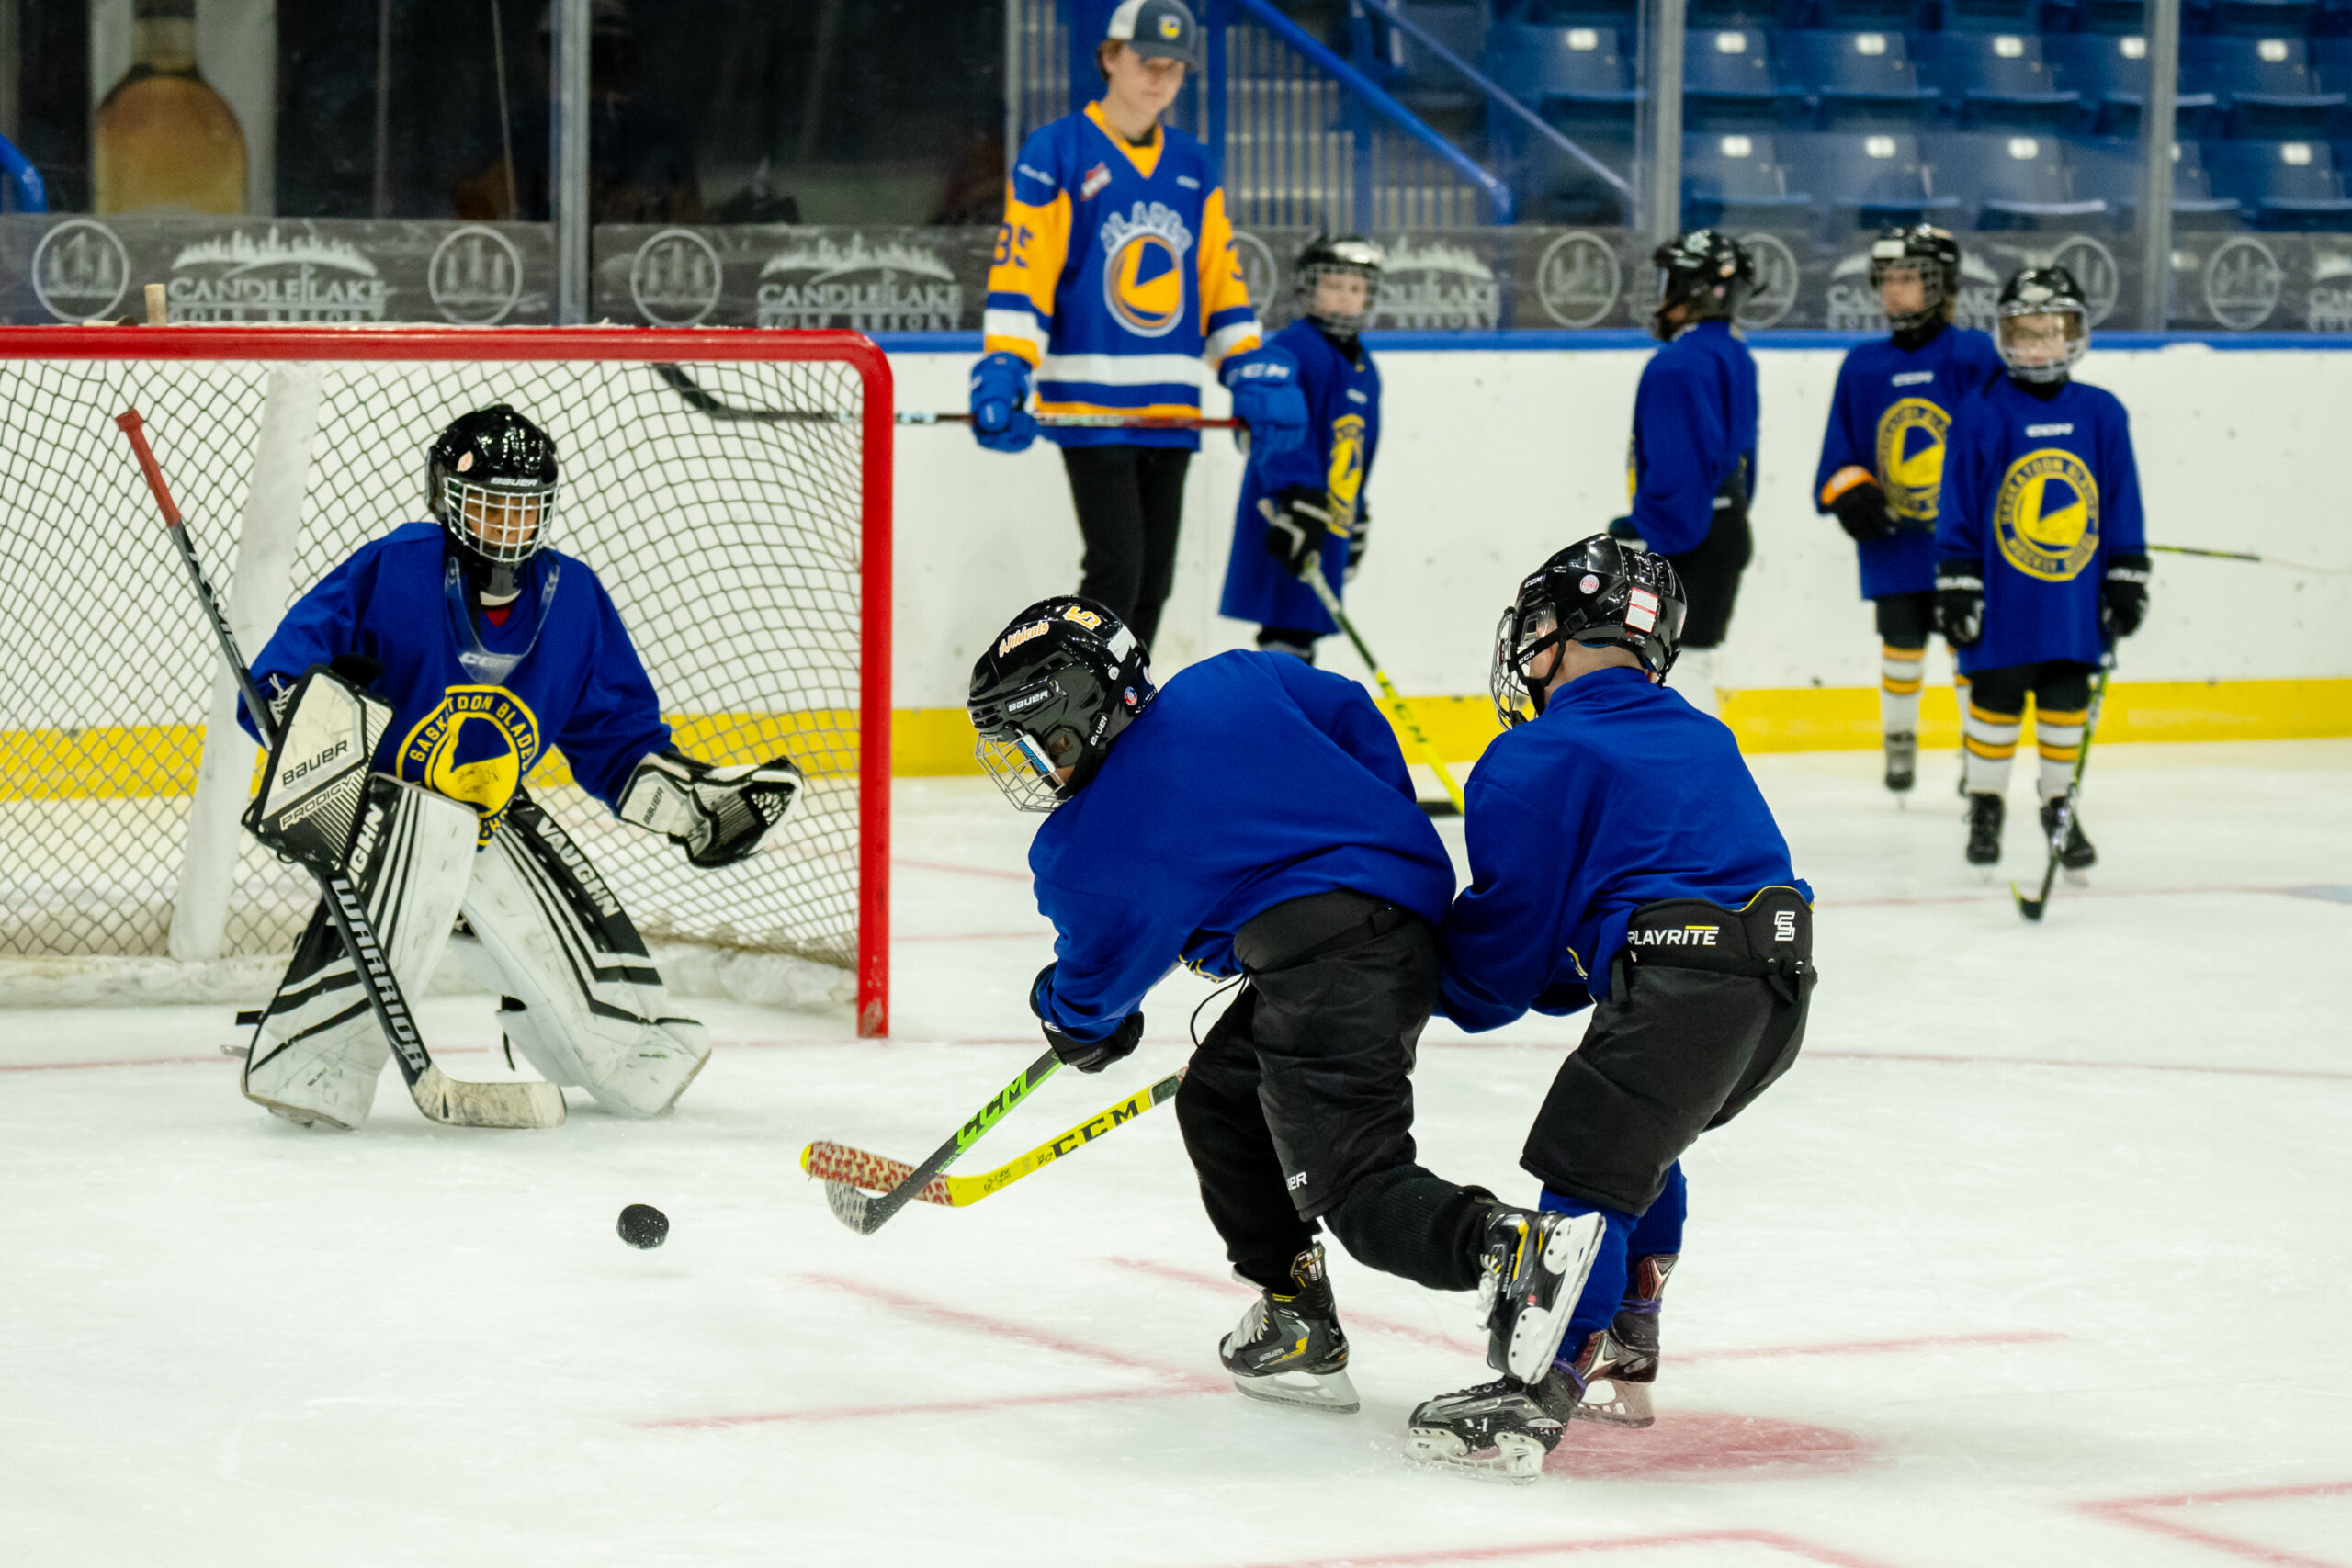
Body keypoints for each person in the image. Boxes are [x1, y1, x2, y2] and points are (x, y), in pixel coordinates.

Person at [967, 596, 1600, 1420]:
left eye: (1029, 743)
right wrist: (1378, 843)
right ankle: (1298, 1320)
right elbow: (1352, 716)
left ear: (1073, 716)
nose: (1029, 767)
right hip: (1399, 927)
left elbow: (1094, 991)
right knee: (1220, 1098)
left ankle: (1508, 1247)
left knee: (1359, 1188)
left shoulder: (1084, 842)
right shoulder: (1238, 678)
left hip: (1320, 968)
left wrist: (1073, 1021)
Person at [233, 404, 801, 1130]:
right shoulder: (396, 568)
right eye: (490, 504)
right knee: (430, 825)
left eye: (524, 507)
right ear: (448, 499)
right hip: (385, 818)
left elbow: (618, 738)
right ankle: (313, 1058)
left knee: (634, 1061)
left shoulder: (574, 600)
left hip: (492, 815)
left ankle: (613, 1041)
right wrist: (309, 745)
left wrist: (692, 806)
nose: (508, 525)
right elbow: (278, 683)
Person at [1401, 537, 1816, 1482]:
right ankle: (1632, 1318)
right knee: (1638, 1141)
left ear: (1551, 632)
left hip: (1684, 986)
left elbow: (1508, 952)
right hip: (1776, 994)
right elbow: (1634, 903)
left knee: (1584, 1160)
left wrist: (1425, 984)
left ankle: (1541, 1382)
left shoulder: (1534, 752)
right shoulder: (1698, 733)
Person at [970, 0, 1306, 650]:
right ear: (1109, 58)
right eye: (1147, 62)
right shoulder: (1057, 151)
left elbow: (1217, 278)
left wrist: (1248, 370)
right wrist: (1007, 363)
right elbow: (1025, 269)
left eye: (1175, 69)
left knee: (1154, 583)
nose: (1160, 79)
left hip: (1173, 409)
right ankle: (1075, 714)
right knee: (1116, 571)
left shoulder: (1193, 163)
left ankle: (1125, 717)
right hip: (1089, 407)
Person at [1936, 266, 2149, 869]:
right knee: (1996, 696)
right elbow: (1960, 507)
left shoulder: (2103, 413)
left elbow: (2120, 499)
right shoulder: (1979, 413)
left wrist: (2126, 571)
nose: (2037, 345)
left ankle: (2059, 805)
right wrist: (1957, 578)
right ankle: (1985, 804)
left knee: (2065, 694)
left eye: (2050, 331)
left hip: (2073, 596)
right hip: (2004, 594)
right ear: (2004, 336)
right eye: (2024, 333)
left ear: (2075, 334)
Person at [1813, 225, 2005, 795]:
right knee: (1900, 643)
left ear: (1942, 284)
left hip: (1962, 546)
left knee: (1967, 642)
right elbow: (1837, 455)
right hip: (1894, 543)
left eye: (1909, 280)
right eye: (1887, 280)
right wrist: (1851, 492)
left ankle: (1977, 752)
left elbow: (2004, 443)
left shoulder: (1975, 356)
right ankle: (1899, 742)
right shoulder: (1862, 366)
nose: (1894, 292)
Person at [1608, 229, 1758, 720]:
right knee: (1693, 657)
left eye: (1671, 280)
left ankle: (1699, 780)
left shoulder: (1676, 364)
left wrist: (1646, 528)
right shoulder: (1734, 353)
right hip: (1725, 527)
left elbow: (1679, 464)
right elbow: (1742, 462)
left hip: (1687, 535)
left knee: (1678, 664)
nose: (1662, 291)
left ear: (1699, 290)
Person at [1217, 234, 1385, 660]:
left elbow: (1360, 450)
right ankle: (1277, 715)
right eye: (1333, 285)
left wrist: (1356, 509)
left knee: (1304, 628)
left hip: (1331, 512)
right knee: (1285, 622)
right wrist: (1294, 494)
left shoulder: (1365, 368)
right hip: (1288, 509)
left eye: (1355, 287)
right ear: (1309, 288)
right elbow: (1274, 429)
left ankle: (1289, 712)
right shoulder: (1292, 348)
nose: (1344, 297)